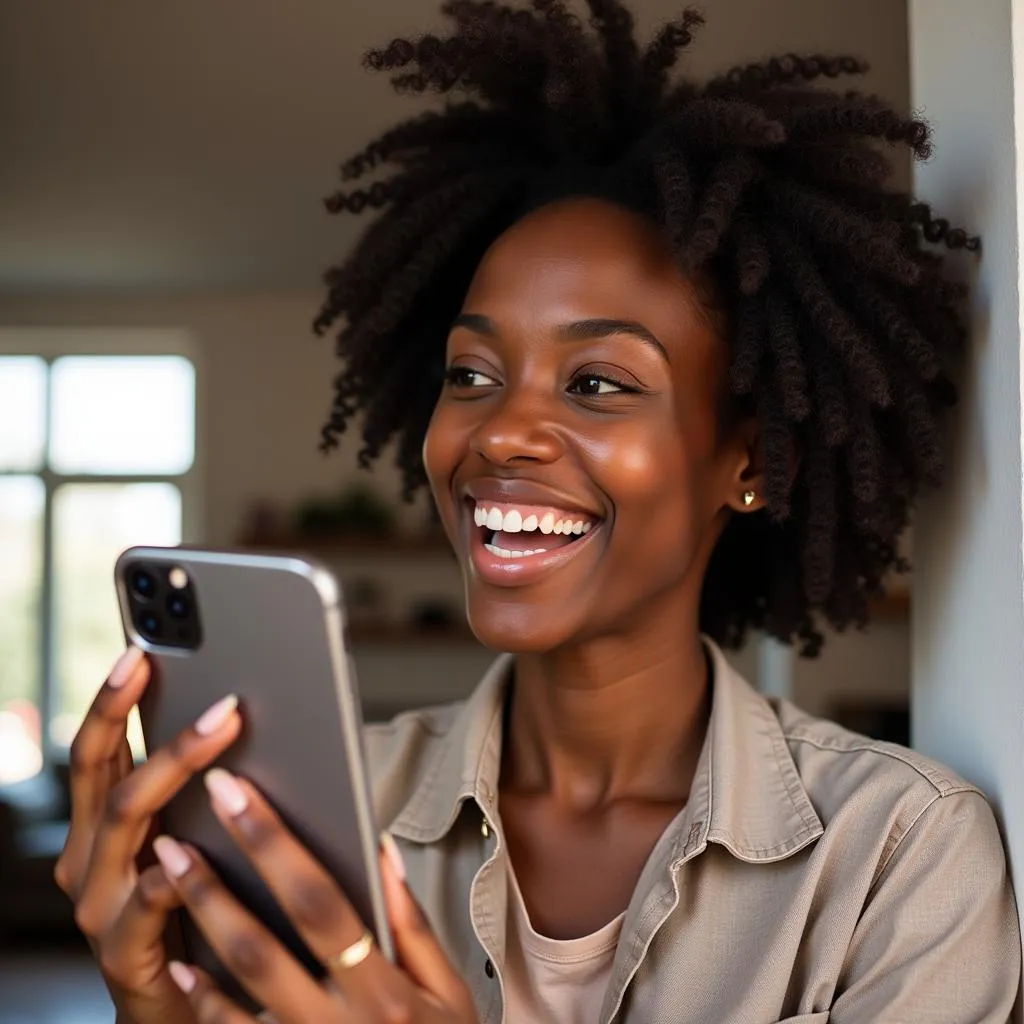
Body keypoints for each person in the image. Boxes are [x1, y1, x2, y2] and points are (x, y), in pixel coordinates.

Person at [57, 3, 1020, 1022]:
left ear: (748, 459)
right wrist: (149, 1005)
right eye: (470, 372)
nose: (500, 432)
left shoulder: (897, 853)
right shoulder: (317, 819)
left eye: (599, 383)